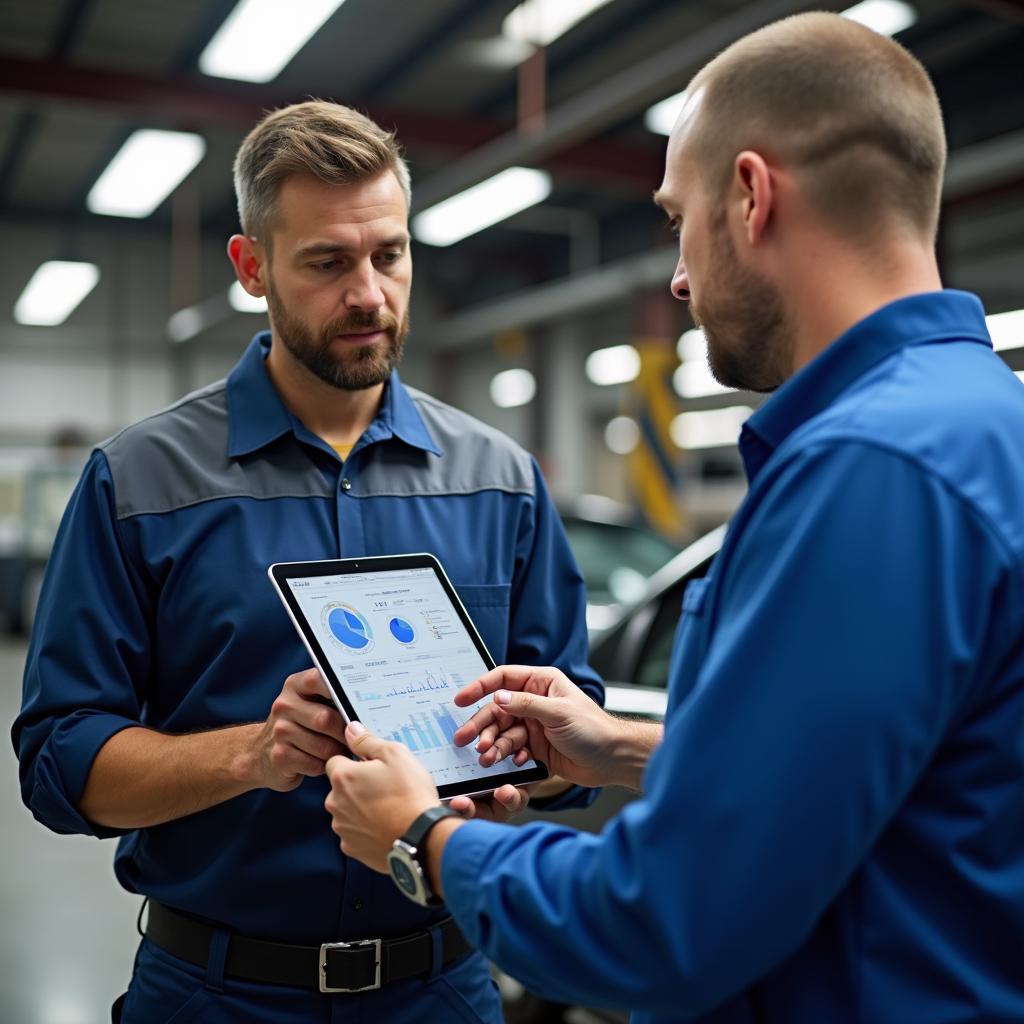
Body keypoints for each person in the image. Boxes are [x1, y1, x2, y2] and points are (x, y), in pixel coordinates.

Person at [322, 13, 1024, 1024]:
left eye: (676, 217)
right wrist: (625, 743)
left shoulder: (866, 469)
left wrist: (424, 837)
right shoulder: (984, 422)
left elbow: (662, 925)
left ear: (749, 195)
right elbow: (914, 774)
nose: (680, 275)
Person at [12, 100, 602, 1023]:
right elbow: (59, 763)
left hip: (441, 990)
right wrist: (256, 752)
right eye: (328, 262)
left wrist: (519, 764)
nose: (368, 292)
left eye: (390, 255)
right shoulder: (139, 481)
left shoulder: (503, 481)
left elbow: (577, 739)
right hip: (215, 995)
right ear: (253, 268)